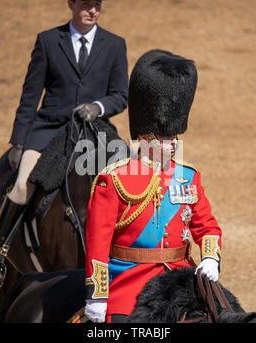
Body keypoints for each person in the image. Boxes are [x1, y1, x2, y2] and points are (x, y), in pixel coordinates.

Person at [0, 0, 128, 286]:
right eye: (85, 4)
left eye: (97, 5)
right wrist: (18, 142)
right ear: (71, 4)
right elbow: (30, 95)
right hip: (49, 129)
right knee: (23, 183)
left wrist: (97, 107)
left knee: (130, 178)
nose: (92, 11)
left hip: (94, 129)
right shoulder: (48, 41)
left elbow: (120, 95)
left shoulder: (114, 44)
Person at [83, 50, 222, 323]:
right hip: (130, 282)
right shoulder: (113, 180)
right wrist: (97, 295)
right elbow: (97, 244)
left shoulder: (189, 177)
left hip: (182, 282)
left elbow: (207, 228)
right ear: (146, 137)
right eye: (166, 136)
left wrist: (210, 258)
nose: (173, 143)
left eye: (175, 136)